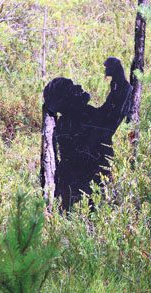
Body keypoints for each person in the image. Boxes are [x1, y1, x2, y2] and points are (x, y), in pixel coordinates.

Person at [42, 57, 133, 210]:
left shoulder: (75, 119)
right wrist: (118, 78)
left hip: (84, 194)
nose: (78, 87)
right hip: (86, 197)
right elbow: (110, 117)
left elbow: (108, 115)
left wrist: (118, 80)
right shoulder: (76, 121)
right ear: (65, 100)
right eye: (71, 88)